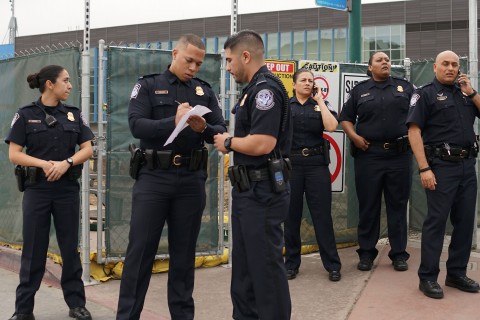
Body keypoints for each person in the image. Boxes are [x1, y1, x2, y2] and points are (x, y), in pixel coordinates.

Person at [116, 33, 226, 320]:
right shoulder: (149, 85)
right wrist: (172, 121)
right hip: (154, 178)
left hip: (190, 180)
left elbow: (220, 129)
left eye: (199, 63)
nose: (193, 68)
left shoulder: (204, 91)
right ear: (174, 53)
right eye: (189, 60)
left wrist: (204, 128)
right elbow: (136, 125)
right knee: (140, 253)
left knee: (184, 256)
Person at [214, 29, 292, 320]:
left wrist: (229, 142)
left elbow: (263, 142)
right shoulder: (253, 90)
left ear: (246, 56)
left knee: (266, 270)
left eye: (230, 60)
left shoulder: (265, 91)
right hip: (250, 193)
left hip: (262, 194)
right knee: (245, 268)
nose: (228, 67)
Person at [5, 65, 94, 320]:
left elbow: (87, 149)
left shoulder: (74, 115)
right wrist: (44, 164)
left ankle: (77, 305)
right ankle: (23, 311)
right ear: (49, 84)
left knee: (69, 248)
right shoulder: (25, 115)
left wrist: (66, 163)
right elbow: (14, 154)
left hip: (66, 190)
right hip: (37, 191)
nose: (70, 85)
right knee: (33, 250)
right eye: (65, 81)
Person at [406, 50, 480, 299]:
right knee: (436, 223)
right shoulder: (424, 93)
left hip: (467, 167)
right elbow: (414, 131)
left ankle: (456, 273)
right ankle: (427, 277)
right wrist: (424, 167)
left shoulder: (466, 94)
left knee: (465, 223)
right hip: (441, 167)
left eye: (455, 65)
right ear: (435, 67)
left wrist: (472, 92)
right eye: (445, 64)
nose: (450, 68)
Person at [339, 51, 414, 272]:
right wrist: (353, 136)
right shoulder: (360, 91)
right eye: (379, 60)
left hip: (399, 156)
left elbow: (420, 115)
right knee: (369, 206)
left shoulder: (405, 88)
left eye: (387, 60)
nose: (385, 62)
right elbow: (345, 118)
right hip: (369, 155)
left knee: (397, 206)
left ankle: (399, 254)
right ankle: (366, 254)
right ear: (370, 67)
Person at [283, 68, 342, 282]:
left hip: (316, 166)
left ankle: (333, 265)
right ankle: (291, 264)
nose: (308, 83)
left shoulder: (322, 104)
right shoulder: (285, 106)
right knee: (291, 217)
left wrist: (320, 100)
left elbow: (332, 126)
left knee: (322, 217)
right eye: (304, 80)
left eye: (311, 81)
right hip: (292, 166)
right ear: (294, 84)